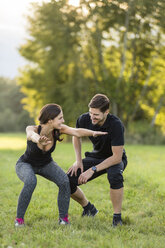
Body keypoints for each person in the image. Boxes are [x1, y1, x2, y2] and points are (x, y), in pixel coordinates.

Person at [15, 103, 107, 227]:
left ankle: (63, 220)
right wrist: (38, 139)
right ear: (50, 120)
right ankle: (19, 220)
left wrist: (93, 133)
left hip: (46, 164)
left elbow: (76, 132)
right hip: (26, 164)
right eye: (60, 118)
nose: (63, 120)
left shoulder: (59, 129)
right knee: (31, 181)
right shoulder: (32, 129)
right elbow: (31, 136)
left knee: (64, 182)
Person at [67, 94, 127, 227]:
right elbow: (76, 136)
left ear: (106, 112)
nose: (92, 117)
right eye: (90, 113)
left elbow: (116, 157)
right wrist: (78, 161)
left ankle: (117, 218)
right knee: (66, 181)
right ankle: (89, 208)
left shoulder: (116, 125)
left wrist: (92, 170)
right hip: (96, 156)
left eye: (96, 115)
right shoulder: (83, 119)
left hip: (114, 158)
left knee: (115, 175)